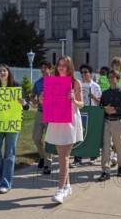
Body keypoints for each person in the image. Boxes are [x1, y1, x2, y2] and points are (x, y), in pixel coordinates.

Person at [44, 56, 84, 204]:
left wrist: (74, 99)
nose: (61, 67)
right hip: (56, 121)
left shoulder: (75, 82)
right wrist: (43, 99)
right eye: (59, 64)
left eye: (64, 65)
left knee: (64, 157)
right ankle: (67, 185)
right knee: (61, 156)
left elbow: (82, 104)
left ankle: (60, 189)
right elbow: (47, 101)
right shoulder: (52, 82)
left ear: (70, 67)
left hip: (70, 121)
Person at [0, 64, 30, 193]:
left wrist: (24, 103)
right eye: (0, 70)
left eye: (4, 70)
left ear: (8, 72)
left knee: (9, 154)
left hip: (12, 125)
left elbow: (27, 106)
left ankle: (6, 183)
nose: (2, 72)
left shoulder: (16, 87)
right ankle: (1, 177)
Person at [97, 69, 121, 182]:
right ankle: (105, 171)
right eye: (109, 77)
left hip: (117, 121)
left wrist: (115, 110)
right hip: (107, 121)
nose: (110, 79)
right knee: (106, 146)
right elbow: (101, 106)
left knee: (118, 145)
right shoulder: (105, 93)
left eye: (113, 77)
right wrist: (105, 109)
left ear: (117, 79)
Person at [70, 63, 101, 167]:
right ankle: (77, 159)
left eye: (85, 72)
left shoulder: (96, 86)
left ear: (90, 73)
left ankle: (93, 156)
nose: (83, 74)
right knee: (79, 134)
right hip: (81, 111)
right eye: (82, 72)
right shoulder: (78, 85)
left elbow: (99, 102)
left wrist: (93, 97)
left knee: (91, 134)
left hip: (92, 112)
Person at [31, 60, 53, 175]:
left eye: (45, 67)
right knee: (36, 137)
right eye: (42, 67)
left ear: (50, 69)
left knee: (48, 140)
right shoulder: (38, 82)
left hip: (51, 113)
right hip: (40, 112)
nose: (43, 69)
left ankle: (47, 165)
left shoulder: (55, 82)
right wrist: (34, 100)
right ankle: (42, 156)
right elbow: (32, 95)